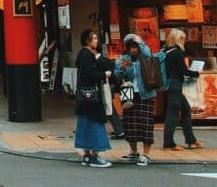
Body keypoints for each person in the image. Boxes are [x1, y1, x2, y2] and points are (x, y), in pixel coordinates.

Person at [114, 34, 157, 167]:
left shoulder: (145, 57)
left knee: (146, 124)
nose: (133, 50)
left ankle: (146, 154)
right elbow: (117, 75)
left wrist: (139, 41)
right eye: (131, 47)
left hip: (146, 94)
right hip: (130, 95)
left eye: (135, 47)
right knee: (130, 124)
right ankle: (134, 151)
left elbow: (148, 53)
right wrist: (122, 67)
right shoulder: (125, 58)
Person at [74, 28, 112, 168]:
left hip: (83, 97)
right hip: (92, 96)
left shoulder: (81, 54)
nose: (96, 41)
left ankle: (86, 155)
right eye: (94, 39)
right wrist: (104, 75)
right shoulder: (88, 55)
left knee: (85, 125)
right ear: (87, 41)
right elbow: (89, 74)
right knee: (96, 124)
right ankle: (95, 156)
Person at [162, 28, 203, 152]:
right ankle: (168, 144)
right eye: (183, 38)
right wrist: (197, 73)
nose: (185, 41)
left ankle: (191, 140)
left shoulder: (166, 51)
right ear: (178, 39)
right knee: (173, 115)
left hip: (170, 84)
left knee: (186, 110)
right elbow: (183, 71)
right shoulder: (178, 53)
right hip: (175, 85)